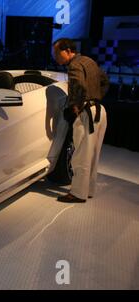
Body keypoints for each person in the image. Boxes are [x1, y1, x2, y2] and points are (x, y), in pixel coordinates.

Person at [52, 38, 109, 203]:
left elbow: (79, 86)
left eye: (57, 53)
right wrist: (96, 97)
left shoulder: (74, 65)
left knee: (81, 156)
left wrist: (76, 107)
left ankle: (77, 193)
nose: (56, 57)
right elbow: (105, 81)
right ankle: (88, 190)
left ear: (68, 50)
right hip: (99, 110)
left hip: (86, 113)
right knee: (92, 155)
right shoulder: (89, 61)